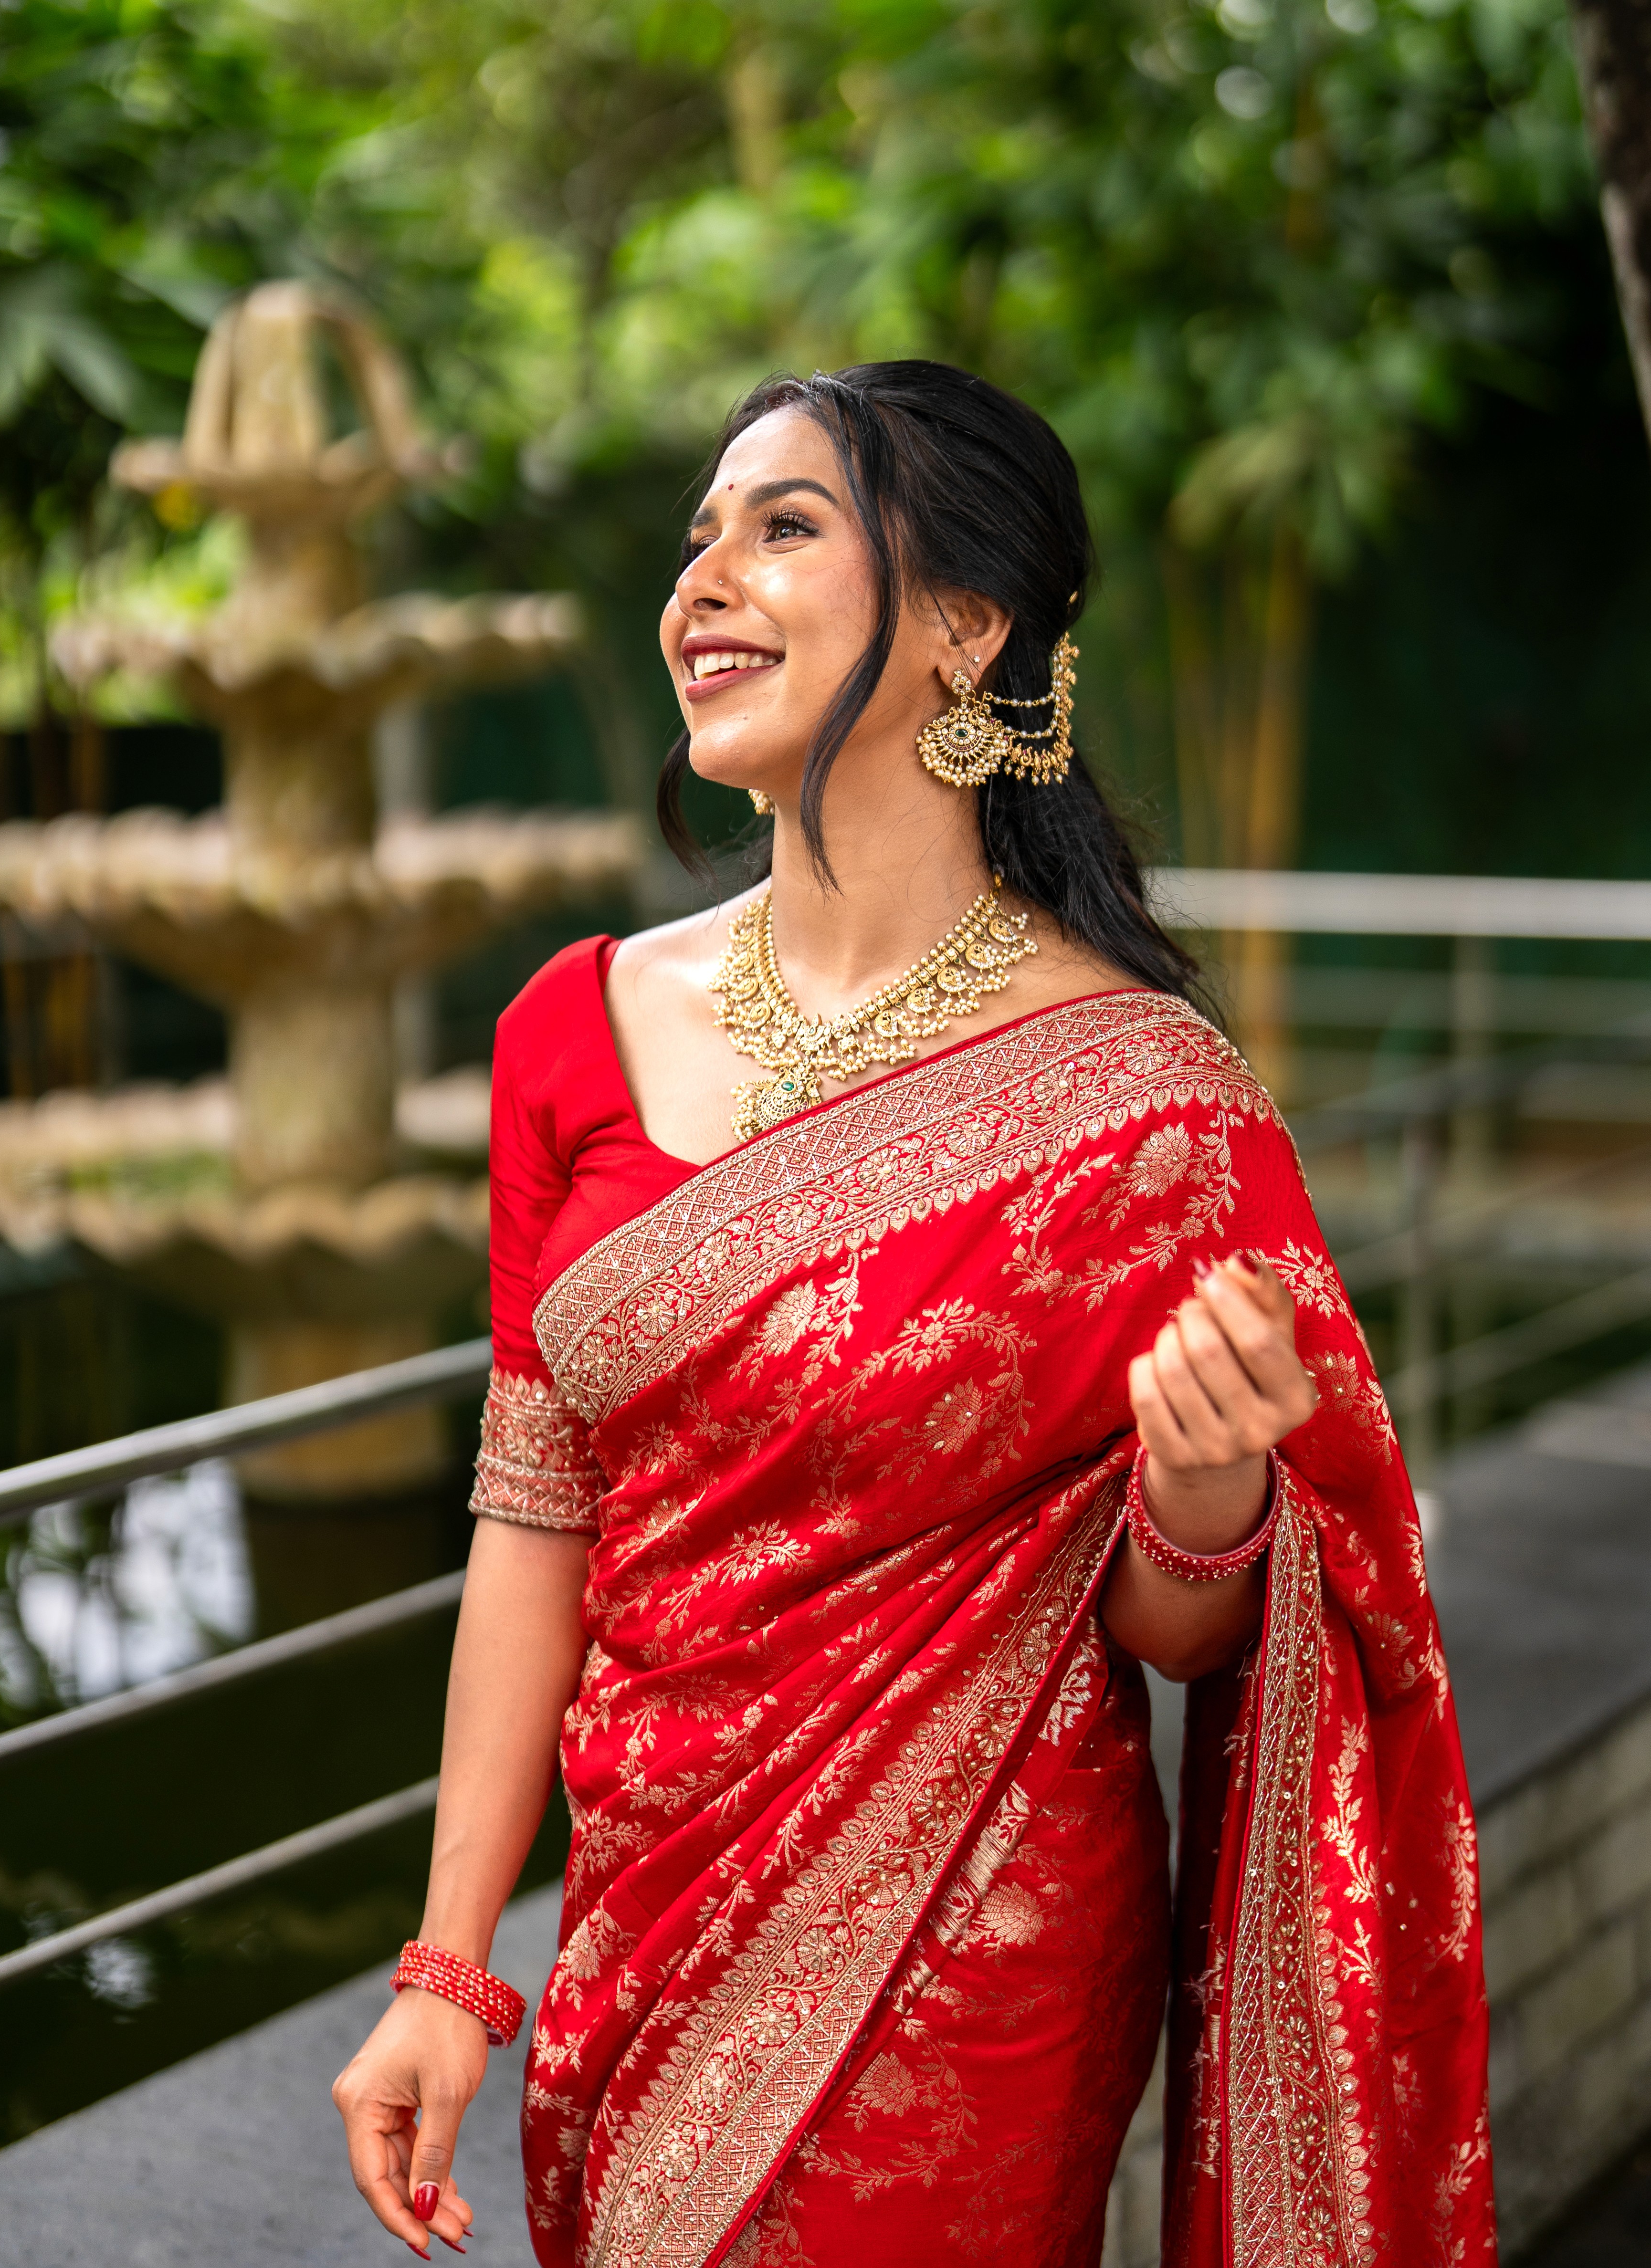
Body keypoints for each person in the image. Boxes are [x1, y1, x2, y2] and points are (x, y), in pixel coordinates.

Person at [333, 362, 1493, 2268]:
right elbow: (533, 1522)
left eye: (782, 527)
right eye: (696, 534)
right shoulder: (569, 1030)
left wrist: (1204, 1504)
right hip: (635, 1944)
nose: (702, 580)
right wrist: (450, 1969)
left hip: (971, 1964)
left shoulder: (1146, 1107)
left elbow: (1190, 1635)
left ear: (966, 629)